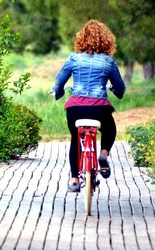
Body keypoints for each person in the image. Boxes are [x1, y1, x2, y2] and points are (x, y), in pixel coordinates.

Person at [52, 20, 126, 192]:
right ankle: (103, 155)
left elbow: (58, 85)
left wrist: (58, 94)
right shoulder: (108, 61)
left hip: (75, 108)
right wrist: (115, 90)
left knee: (75, 139)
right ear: (106, 40)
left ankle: (75, 179)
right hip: (99, 108)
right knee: (109, 130)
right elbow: (120, 88)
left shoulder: (73, 58)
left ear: (81, 39)